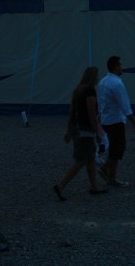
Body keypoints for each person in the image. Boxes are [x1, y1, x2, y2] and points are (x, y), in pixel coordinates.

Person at [53, 67, 107, 199]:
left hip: (78, 129)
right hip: (86, 130)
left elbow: (72, 111)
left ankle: (94, 187)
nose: (98, 78)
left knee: (89, 159)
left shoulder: (78, 90)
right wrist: (98, 132)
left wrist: (69, 130)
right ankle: (61, 185)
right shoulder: (89, 91)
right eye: (96, 75)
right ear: (92, 76)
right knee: (81, 160)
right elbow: (91, 113)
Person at [98, 55, 135, 187]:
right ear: (116, 67)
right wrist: (134, 123)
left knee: (115, 147)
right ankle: (112, 177)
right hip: (115, 121)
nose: (122, 67)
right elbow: (125, 105)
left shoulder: (103, 82)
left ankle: (106, 170)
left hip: (106, 120)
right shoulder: (117, 83)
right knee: (117, 149)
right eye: (120, 65)